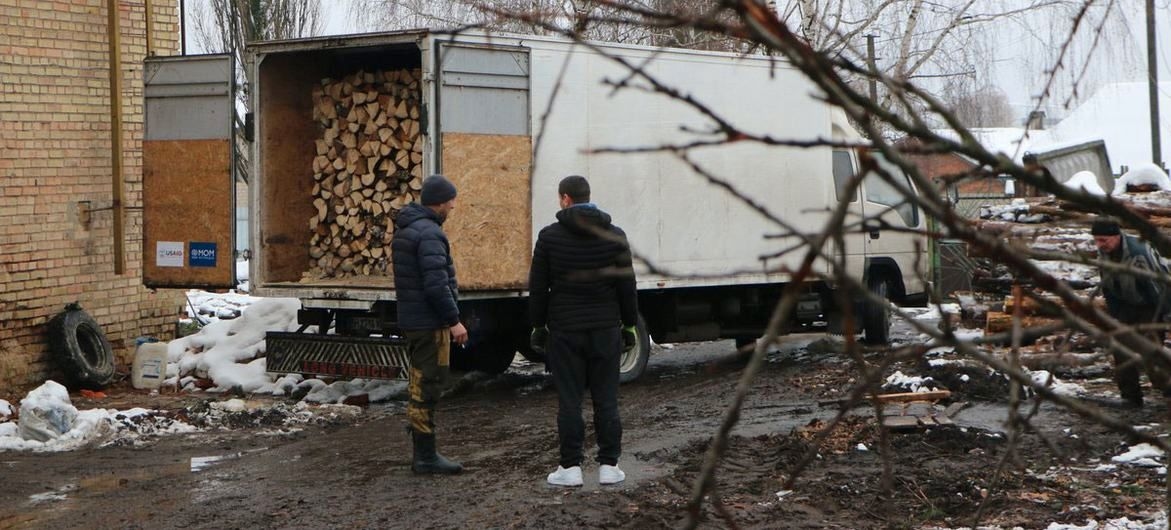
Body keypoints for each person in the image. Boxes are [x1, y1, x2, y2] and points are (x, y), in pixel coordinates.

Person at [528, 175, 639, 487]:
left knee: (570, 400)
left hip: (565, 330)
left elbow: (538, 288)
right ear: (588, 197)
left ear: (565, 199)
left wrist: (537, 325)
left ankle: (570, 468)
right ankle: (608, 466)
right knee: (606, 398)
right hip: (605, 329)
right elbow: (627, 287)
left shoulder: (549, 237)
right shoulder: (615, 235)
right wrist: (629, 325)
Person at [391, 174, 469, 474]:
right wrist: (454, 321)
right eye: (451, 201)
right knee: (428, 384)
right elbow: (436, 285)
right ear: (439, 202)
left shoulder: (408, 229)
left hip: (414, 320)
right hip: (429, 323)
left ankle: (422, 449)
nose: (452, 206)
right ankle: (425, 456)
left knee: (419, 382)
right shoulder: (430, 234)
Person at [1091, 216, 1171, 408]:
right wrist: (1114, 317)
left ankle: (1167, 389)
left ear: (1116, 236)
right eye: (1096, 240)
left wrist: (1166, 316)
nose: (1100, 244)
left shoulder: (1139, 252)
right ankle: (1130, 397)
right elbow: (1108, 288)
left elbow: (1158, 286)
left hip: (1152, 304)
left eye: (1104, 240)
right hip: (1126, 304)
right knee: (1120, 348)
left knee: (1150, 350)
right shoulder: (1103, 255)